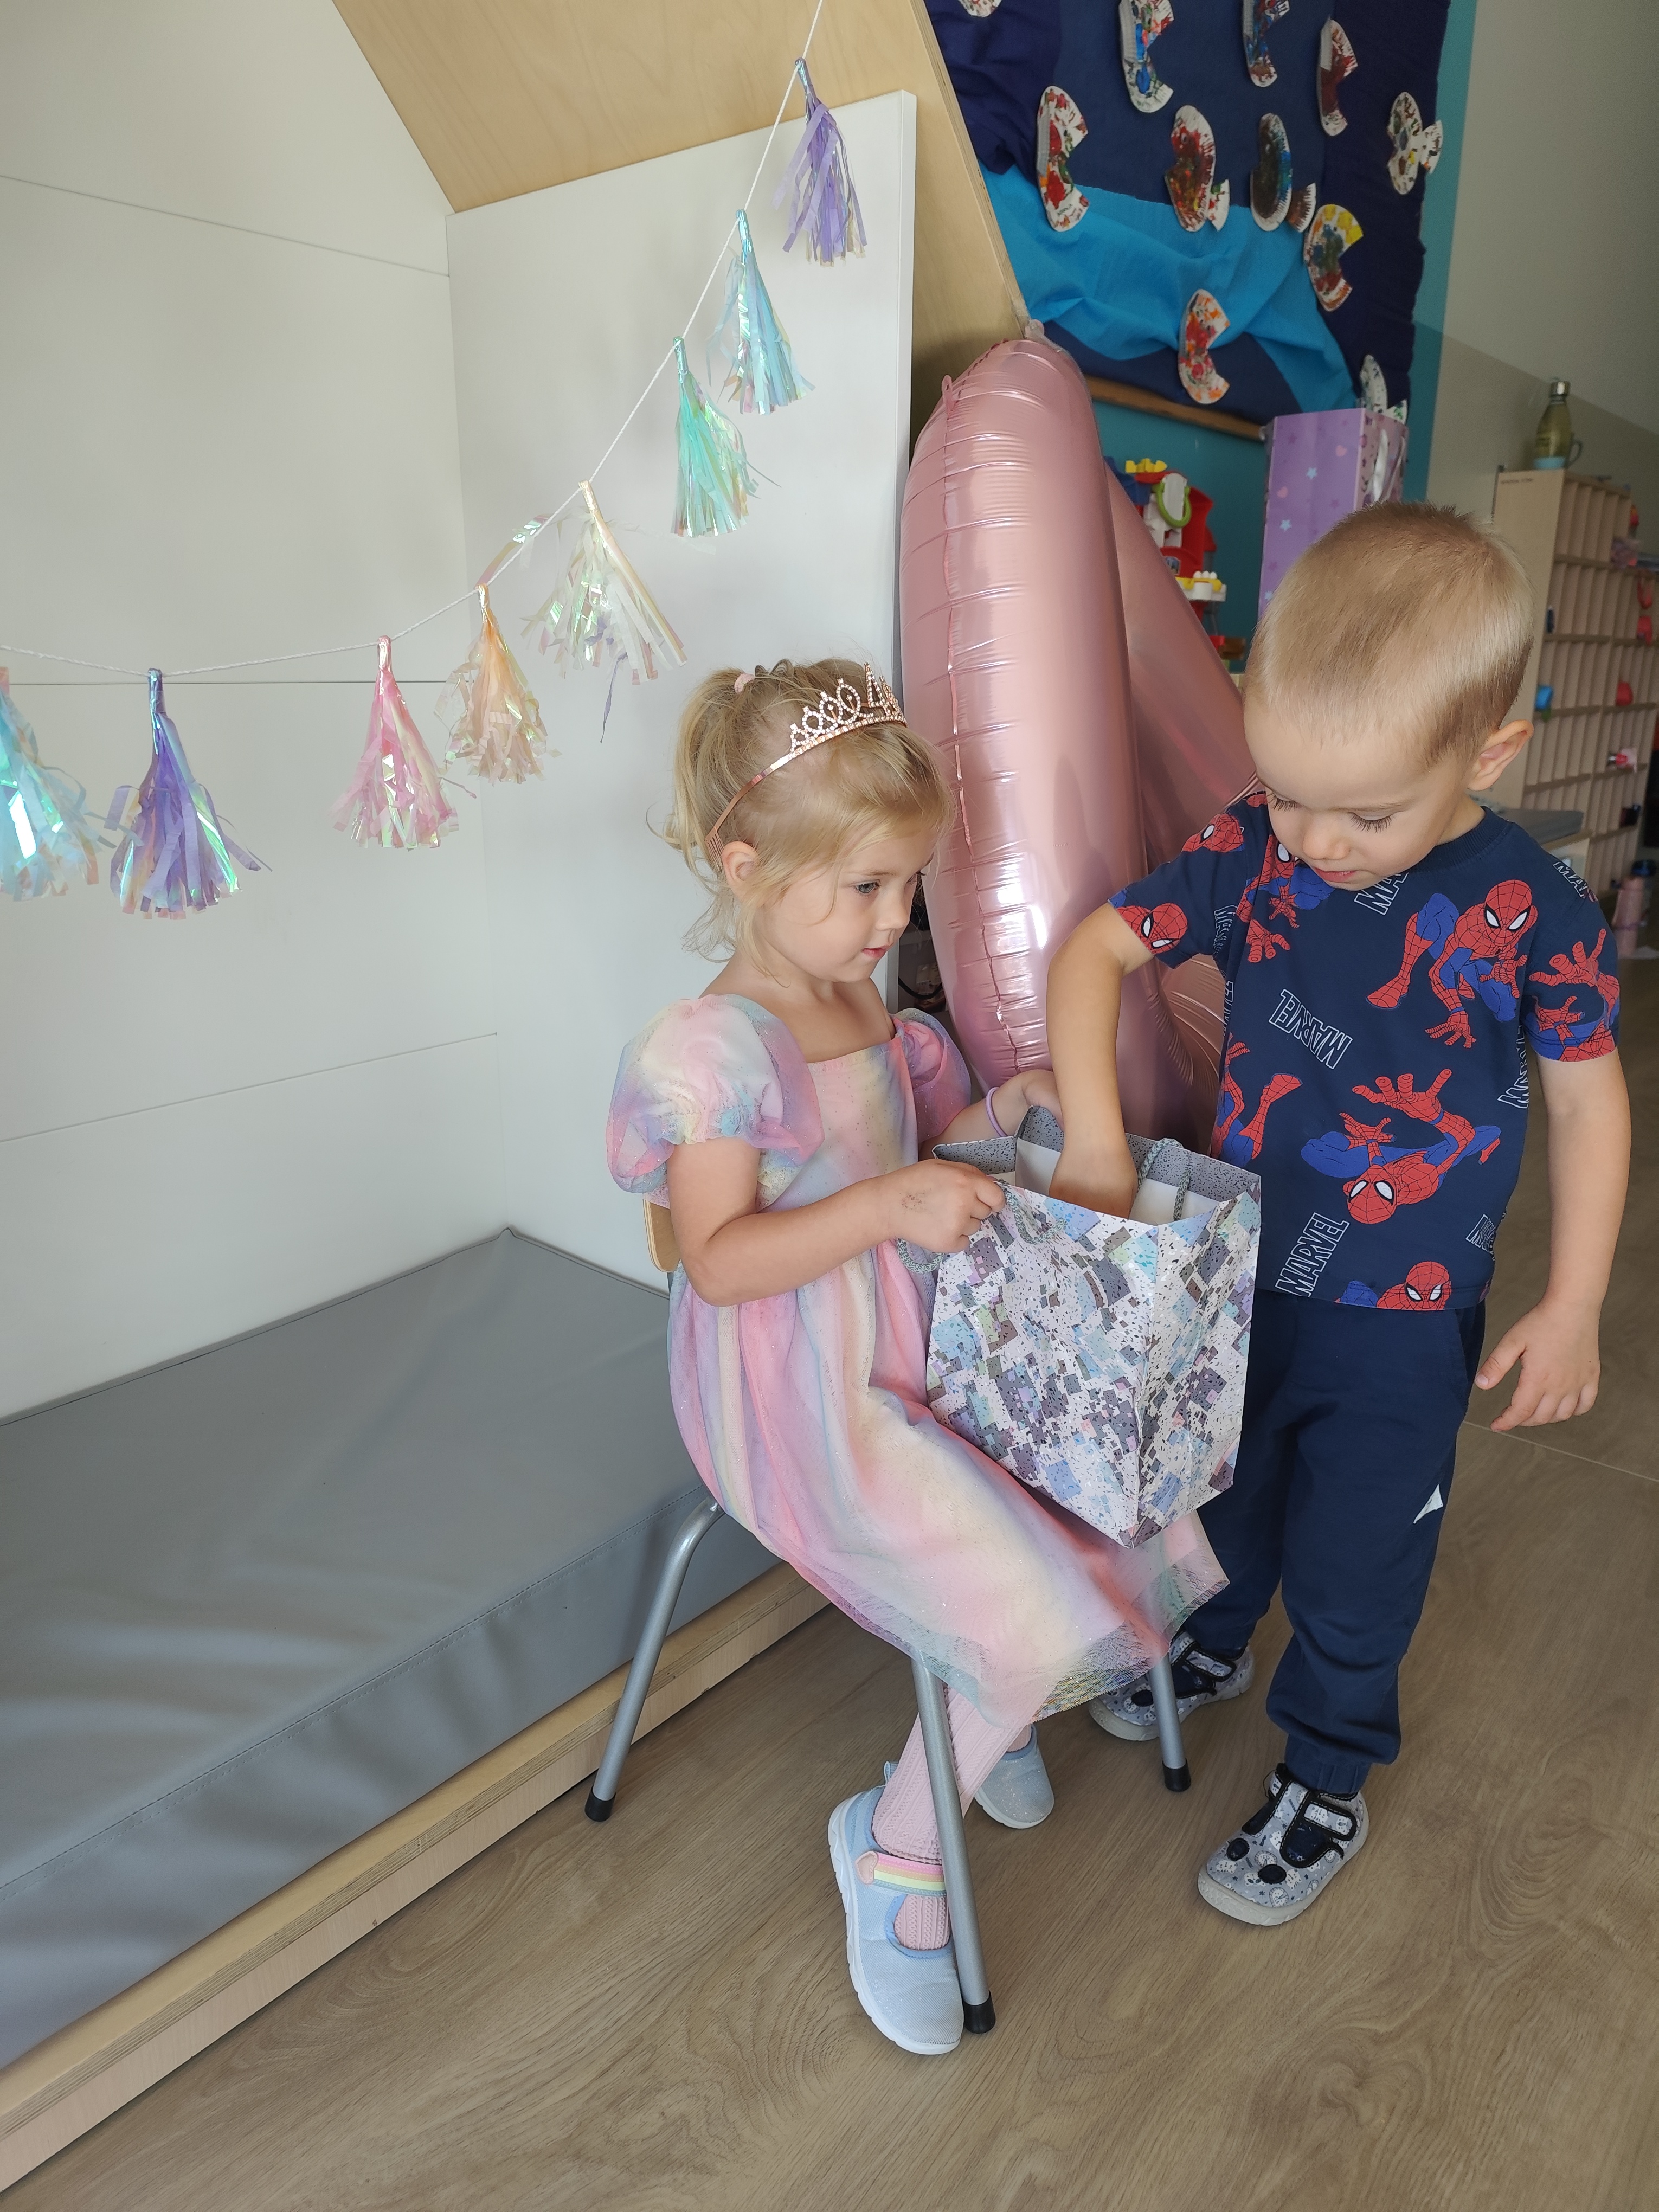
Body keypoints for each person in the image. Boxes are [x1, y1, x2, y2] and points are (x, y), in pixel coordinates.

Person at [607, 657, 1223, 2052]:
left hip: (913, 1337)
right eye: (867, 889)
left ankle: (976, 1711)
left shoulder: (860, 997)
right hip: (797, 1391)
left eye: (908, 886)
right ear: (750, 871)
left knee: (1096, 1493)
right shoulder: (714, 1051)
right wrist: (893, 1206)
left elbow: (901, 1150)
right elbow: (721, 1259)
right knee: (1024, 1609)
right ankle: (895, 1851)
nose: (896, 921)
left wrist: (984, 1121)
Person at [1046, 503, 1630, 1926]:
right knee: (1223, 1485)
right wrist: (1096, 1145)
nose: (1315, 842)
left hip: (1404, 1322)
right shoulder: (1260, 846)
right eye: (1288, 794)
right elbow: (1095, 952)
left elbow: (1587, 1102)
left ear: (1487, 752)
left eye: (1365, 815)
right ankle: (1215, 1635)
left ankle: (1326, 1769)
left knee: (1360, 1558)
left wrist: (1573, 1304)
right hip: (1237, 1273)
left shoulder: (1534, 908)